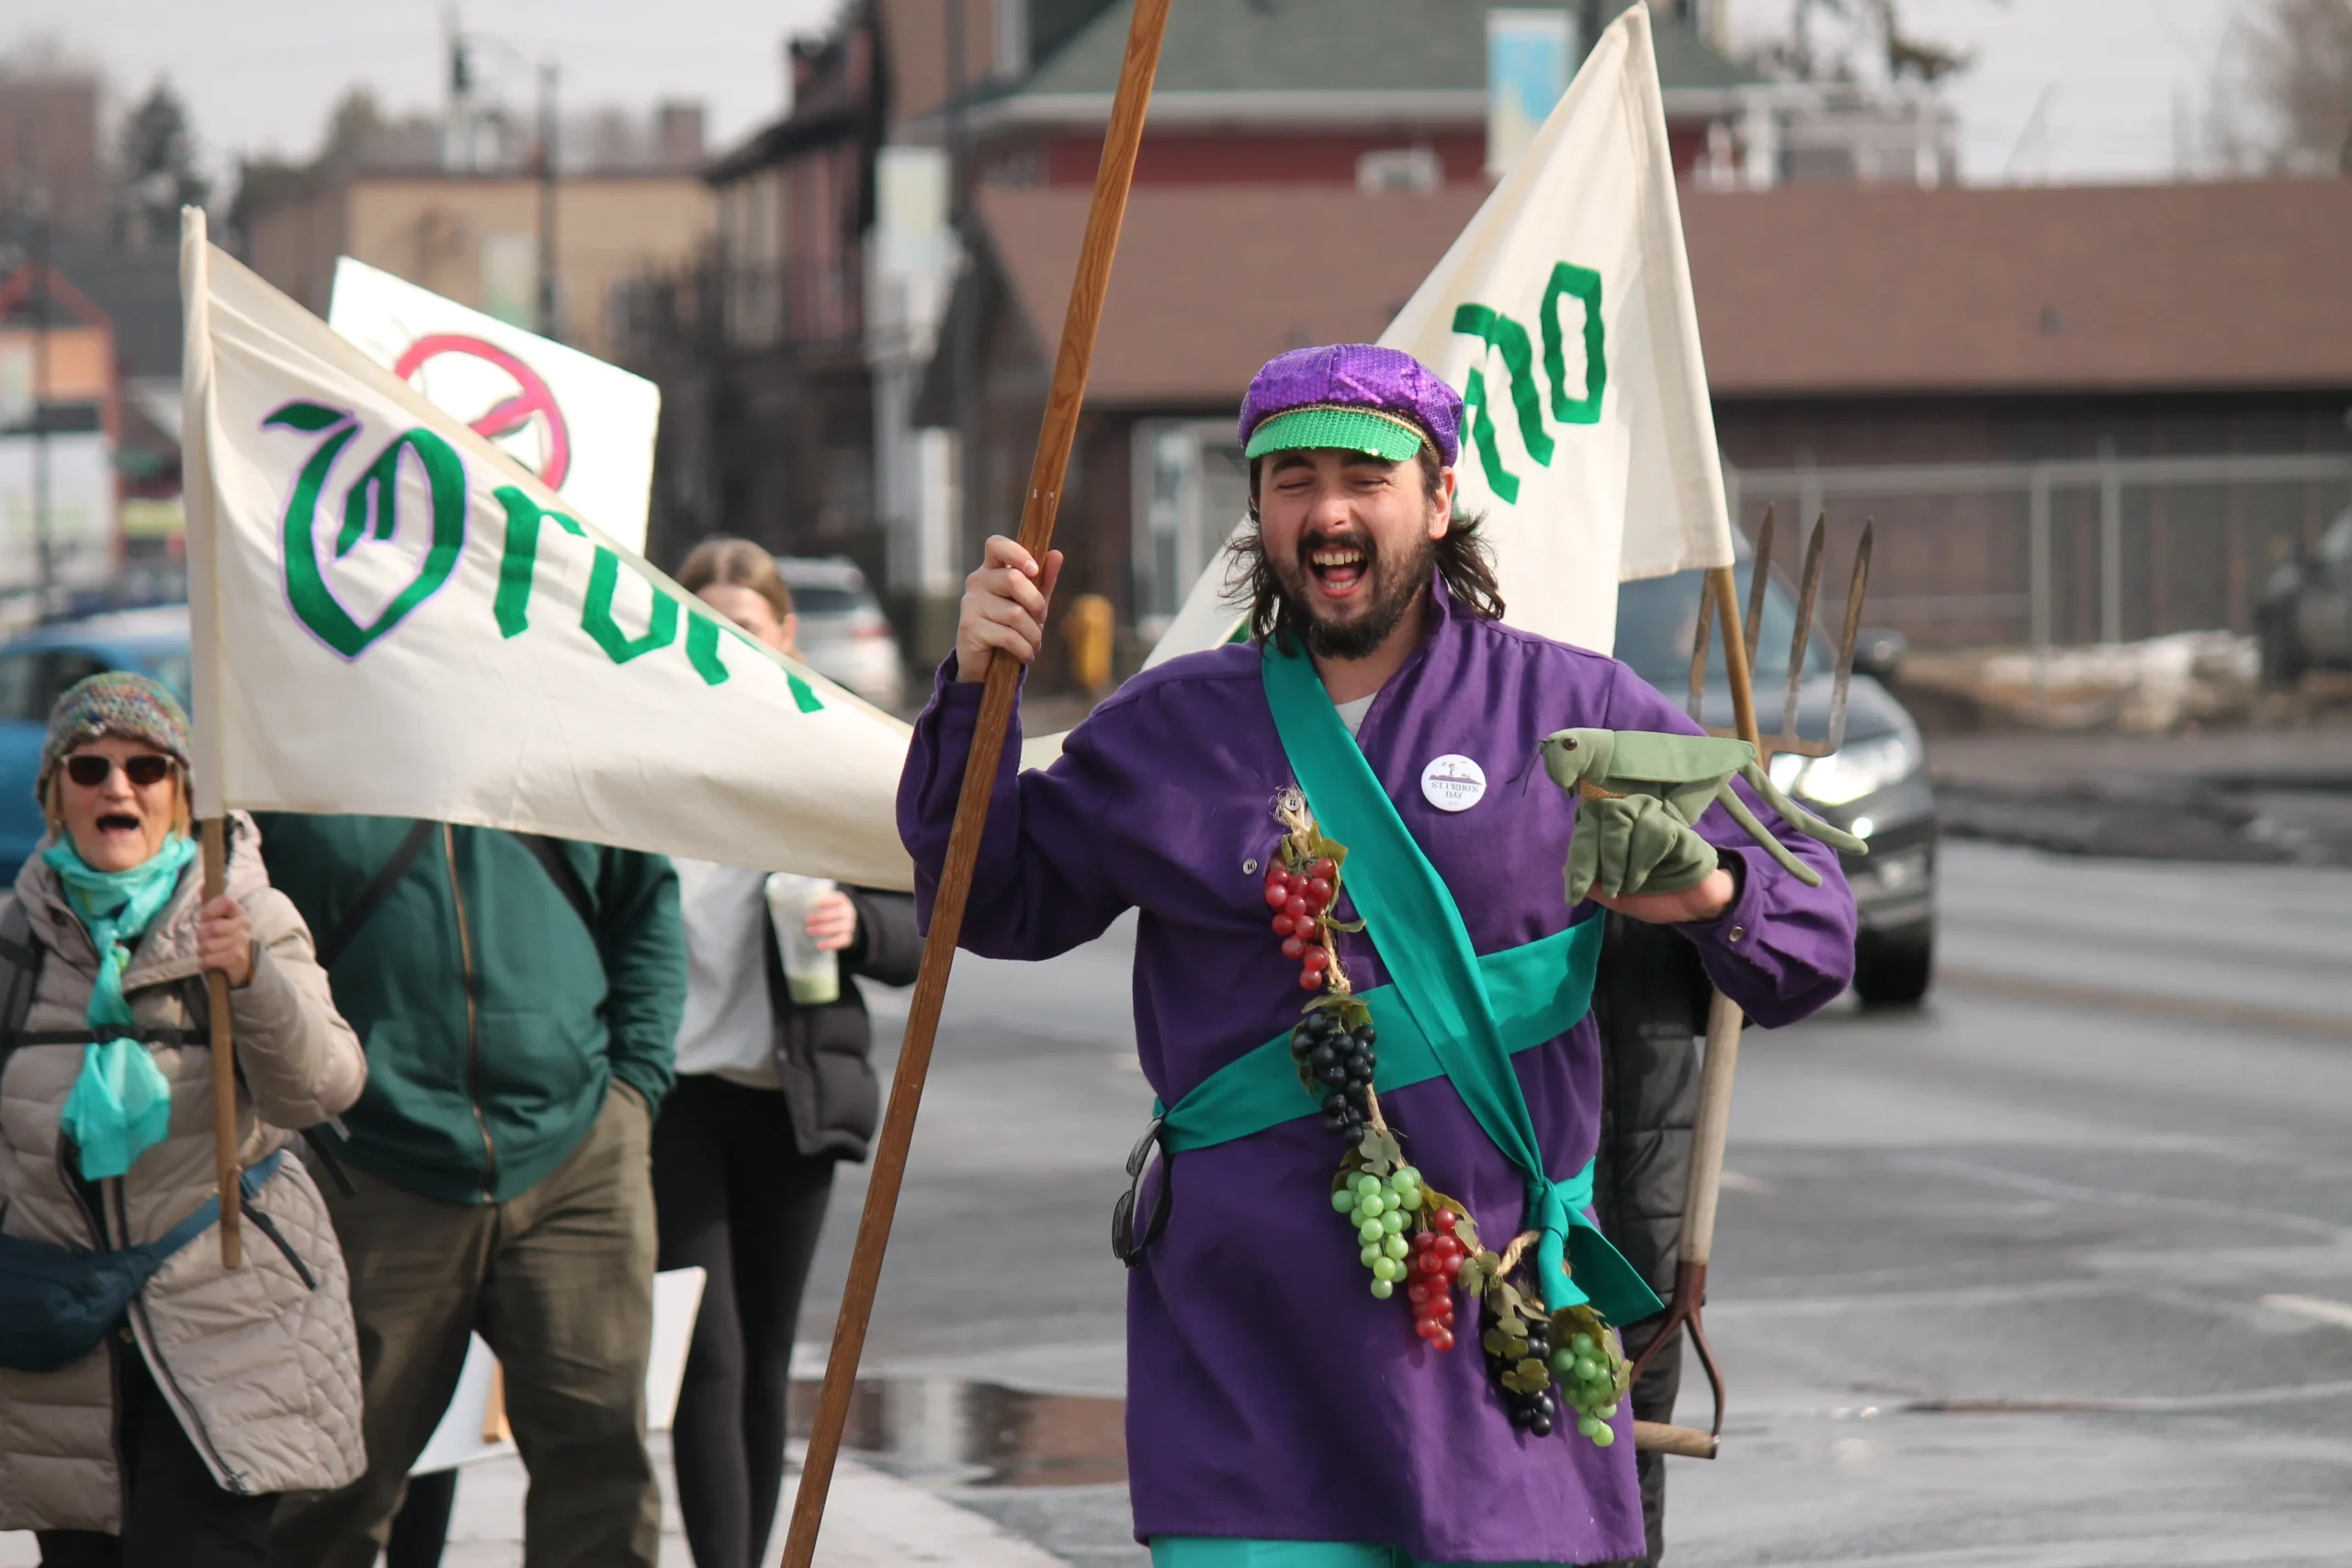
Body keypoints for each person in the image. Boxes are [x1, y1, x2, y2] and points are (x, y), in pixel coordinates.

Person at [899, 344, 1857, 1565]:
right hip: (1246, 1350)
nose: (1330, 511)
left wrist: (1714, 888)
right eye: (1293, 480)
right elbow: (991, 900)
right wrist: (978, 693)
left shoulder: (1569, 710)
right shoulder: (1169, 727)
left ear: (1438, 496)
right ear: (1257, 510)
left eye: (1367, 475)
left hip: (1492, 1334)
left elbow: (1814, 936)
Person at [258, 794, 685, 1565]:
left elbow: (647, 902)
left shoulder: (561, 740)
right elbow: (247, 943)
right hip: (371, 1166)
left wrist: (633, 1091)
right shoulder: (306, 746)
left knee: (602, 1469)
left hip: (579, 1156)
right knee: (329, 1487)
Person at [0, 673, 368, 1565]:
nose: (116, 787)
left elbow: (323, 1087)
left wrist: (251, 979)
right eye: (87, 768)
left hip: (229, 1326)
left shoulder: (247, 916)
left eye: (147, 767)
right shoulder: (15, 938)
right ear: (54, 795)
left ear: (186, 793)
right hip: (64, 1349)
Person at [655, 538, 922, 1568]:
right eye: (705, 627)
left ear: (784, 639)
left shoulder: (828, 761)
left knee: (766, 1353)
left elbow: (918, 932)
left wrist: (857, 922)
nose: (726, 646)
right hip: (673, 1098)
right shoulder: (649, 765)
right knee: (706, 1355)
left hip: (793, 1098)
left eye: (745, 629)